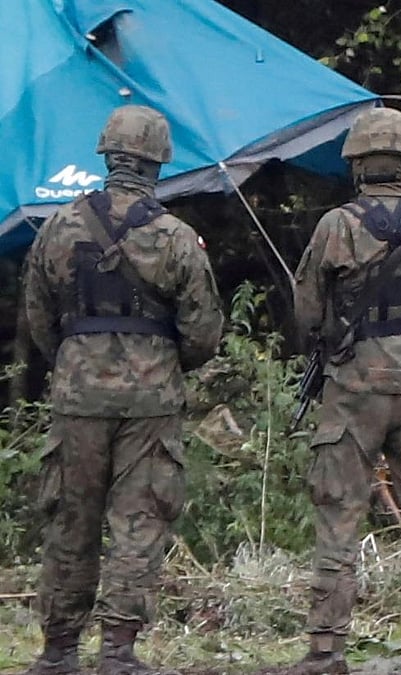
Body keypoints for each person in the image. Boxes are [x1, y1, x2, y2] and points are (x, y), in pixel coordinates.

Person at [21, 105, 224, 675]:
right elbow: (203, 332)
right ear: (158, 161)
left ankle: (59, 651)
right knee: (139, 519)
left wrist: (77, 357)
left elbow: (40, 323)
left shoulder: (57, 227)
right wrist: (161, 360)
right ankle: (118, 651)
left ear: (107, 155)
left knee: (70, 519)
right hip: (151, 397)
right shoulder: (178, 238)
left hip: (77, 393)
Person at [290, 107, 401, 673]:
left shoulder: (335, 227)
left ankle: (326, 651)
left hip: (353, 385)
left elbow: (306, 312)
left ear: (358, 164)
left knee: (340, 514)